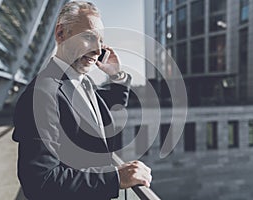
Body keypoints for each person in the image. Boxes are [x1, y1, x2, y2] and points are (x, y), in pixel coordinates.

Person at [12, 1, 152, 199]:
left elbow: (100, 109)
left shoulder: (79, 82)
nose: (97, 50)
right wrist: (115, 177)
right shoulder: (42, 94)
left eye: (100, 41)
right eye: (88, 37)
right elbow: (40, 181)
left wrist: (116, 75)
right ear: (61, 34)